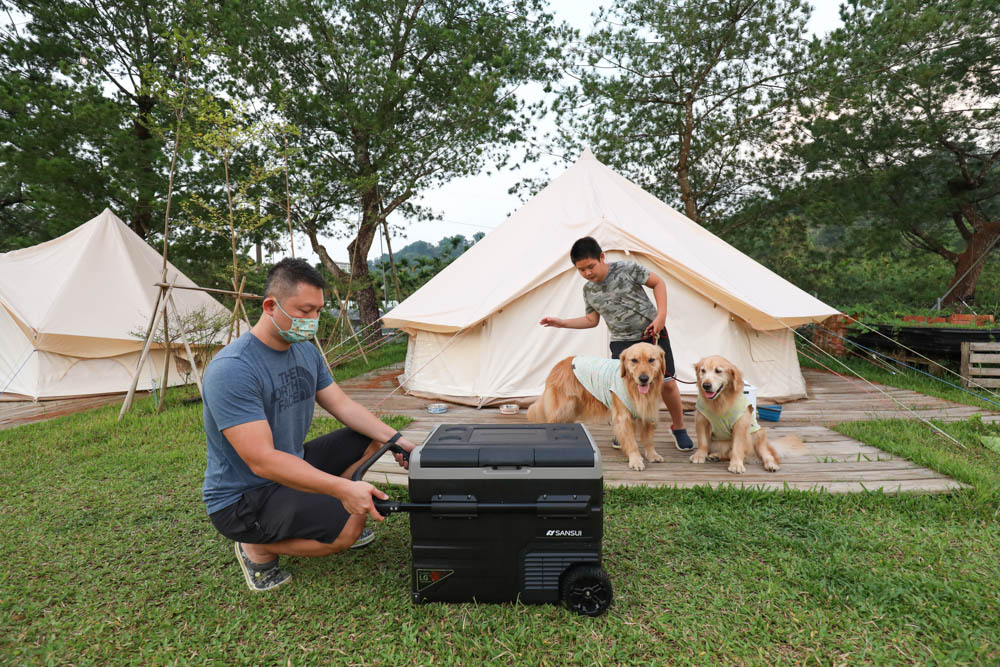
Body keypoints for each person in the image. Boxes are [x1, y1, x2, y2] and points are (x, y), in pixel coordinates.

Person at [201, 257, 416, 592]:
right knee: (350, 529)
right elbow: (262, 460)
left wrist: (397, 439)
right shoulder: (233, 369)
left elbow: (341, 404)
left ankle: (327, 512)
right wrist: (343, 489)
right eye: (304, 311)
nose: (313, 320)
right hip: (244, 496)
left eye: (318, 310)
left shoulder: (306, 351)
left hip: (292, 466)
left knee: (371, 437)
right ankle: (256, 547)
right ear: (271, 306)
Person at [539, 236, 694, 451]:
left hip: (651, 335)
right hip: (621, 344)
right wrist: (563, 322)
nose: (588, 273)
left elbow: (658, 283)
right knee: (622, 389)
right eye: (581, 270)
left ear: (602, 257)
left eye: (591, 266)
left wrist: (661, 316)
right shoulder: (589, 290)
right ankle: (624, 429)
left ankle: (678, 427)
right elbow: (592, 321)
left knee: (667, 383)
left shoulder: (627, 268)